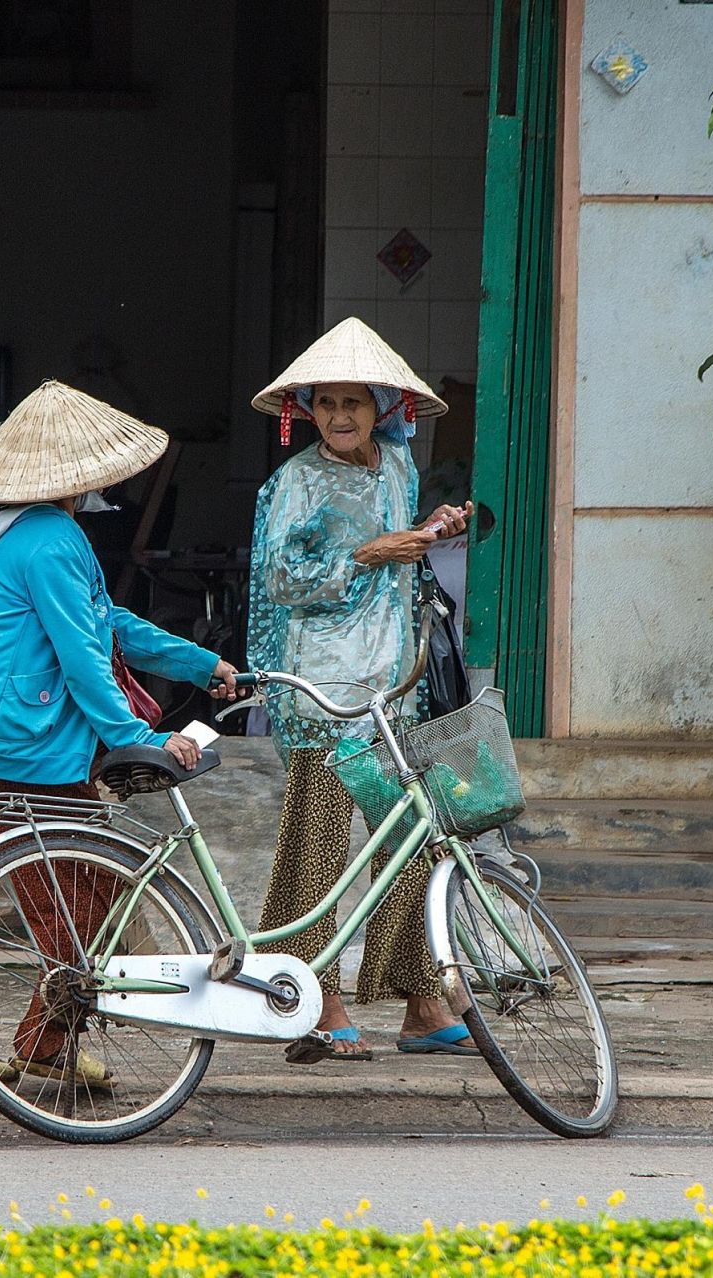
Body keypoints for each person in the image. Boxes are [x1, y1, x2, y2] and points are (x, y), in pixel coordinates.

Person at [0, 379, 243, 1099]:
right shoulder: (56, 538)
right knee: (83, 895)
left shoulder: (0, 528)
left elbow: (107, 623)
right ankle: (44, 1045)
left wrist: (201, 662)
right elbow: (84, 657)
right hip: (22, 746)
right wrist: (137, 738)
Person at [246, 317, 472, 1063]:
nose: (341, 416)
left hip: (394, 682)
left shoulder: (399, 467)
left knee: (409, 838)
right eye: (326, 403)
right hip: (325, 688)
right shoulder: (295, 481)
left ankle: (420, 1002)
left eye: (355, 402)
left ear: (383, 406)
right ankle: (315, 997)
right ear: (305, 409)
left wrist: (428, 528)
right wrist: (370, 553)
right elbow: (283, 580)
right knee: (317, 843)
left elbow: (402, 545)